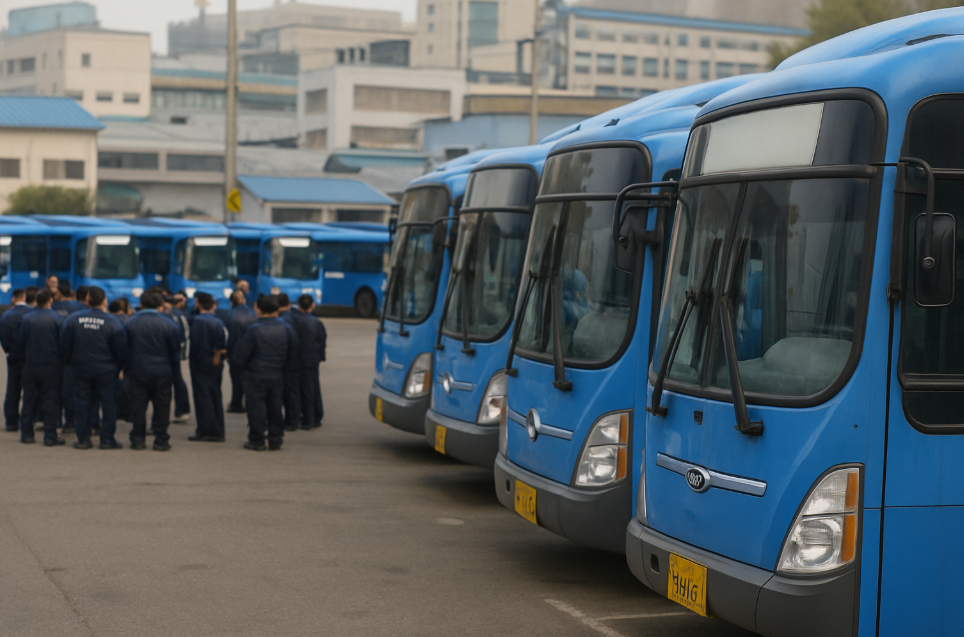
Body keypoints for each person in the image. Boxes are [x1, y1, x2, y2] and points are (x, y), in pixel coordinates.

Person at [60, 286, 127, 449]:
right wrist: (120, 368)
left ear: (87, 300)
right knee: (108, 404)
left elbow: (64, 345)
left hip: (81, 369)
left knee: (81, 403)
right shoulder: (113, 322)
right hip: (106, 371)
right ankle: (106, 439)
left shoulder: (73, 319)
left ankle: (83, 439)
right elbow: (121, 349)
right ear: (105, 301)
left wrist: (69, 363)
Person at [232, 295, 298, 451]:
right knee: (275, 407)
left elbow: (241, 355)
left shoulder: (254, 329)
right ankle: (275, 439)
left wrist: (240, 370)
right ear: (277, 310)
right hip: (277, 374)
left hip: (255, 375)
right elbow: (294, 352)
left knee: (256, 408)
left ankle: (257, 439)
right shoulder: (287, 328)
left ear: (258, 309)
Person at [124, 290, 181, 451]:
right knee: (162, 406)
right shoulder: (170, 324)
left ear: (141, 305)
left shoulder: (130, 323)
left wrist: (125, 368)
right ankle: (161, 440)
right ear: (161, 306)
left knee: (138, 406)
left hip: (137, 370)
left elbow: (124, 348)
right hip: (163, 371)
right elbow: (175, 350)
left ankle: (138, 439)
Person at [16, 290, 65, 445]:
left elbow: (20, 342)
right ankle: (50, 436)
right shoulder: (58, 319)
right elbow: (64, 344)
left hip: (31, 365)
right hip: (52, 366)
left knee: (29, 399)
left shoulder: (26, 319)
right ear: (50, 301)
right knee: (51, 401)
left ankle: (27, 434)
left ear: (36, 302)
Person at [188, 293, 227, 442]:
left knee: (203, 397)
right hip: (216, 363)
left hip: (202, 363)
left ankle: (206, 429)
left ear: (198, 303)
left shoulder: (199, 322)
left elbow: (197, 346)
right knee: (215, 395)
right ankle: (218, 428)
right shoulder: (218, 322)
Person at [0, 288, 36, 432]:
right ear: (25, 297)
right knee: (29, 389)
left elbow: (2, 337)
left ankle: (11, 421)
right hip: (29, 357)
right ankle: (27, 420)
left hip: (13, 356)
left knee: (13, 388)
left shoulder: (5, 316)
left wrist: (9, 349)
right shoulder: (32, 313)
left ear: (13, 298)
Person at [291, 295, 327, 430]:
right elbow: (322, 341)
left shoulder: (294, 321)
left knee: (301, 389)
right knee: (313, 387)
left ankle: (305, 417)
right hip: (312, 360)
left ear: (299, 306)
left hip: (298, 359)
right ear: (313, 305)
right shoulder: (317, 323)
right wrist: (320, 357)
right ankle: (315, 416)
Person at [225, 291, 256, 413]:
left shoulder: (231, 315)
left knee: (236, 379)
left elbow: (230, 337)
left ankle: (236, 403)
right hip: (251, 351)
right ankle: (249, 402)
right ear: (243, 300)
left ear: (231, 302)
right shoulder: (252, 313)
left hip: (236, 352)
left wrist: (227, 353)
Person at [276, 294, 301, 432]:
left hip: (287, 363)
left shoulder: (283, 320)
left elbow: (291, 342)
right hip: (293, 361)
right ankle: (293, 419)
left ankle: (292, 420)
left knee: (288, 392)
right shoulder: (293, 316)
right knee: (291, 391)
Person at [166, 294, 192, 424]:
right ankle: (182, 410)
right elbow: (184, 335)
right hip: (176, 352)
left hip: (165, 353)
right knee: (178, 379)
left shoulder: (167, 316)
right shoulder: (181, 315)